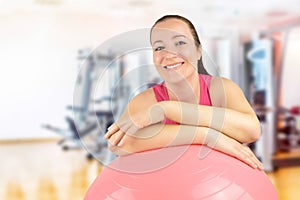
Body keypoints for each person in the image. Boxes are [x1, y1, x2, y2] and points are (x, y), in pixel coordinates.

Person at [104, 14, 263, 170]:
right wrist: (205, 135)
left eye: (180, 43)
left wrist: (167, 110)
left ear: (198, 51)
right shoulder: (145, 101)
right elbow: (118, 144)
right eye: (159, 47)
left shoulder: (222, 89)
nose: (169, 54)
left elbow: (251, 131)